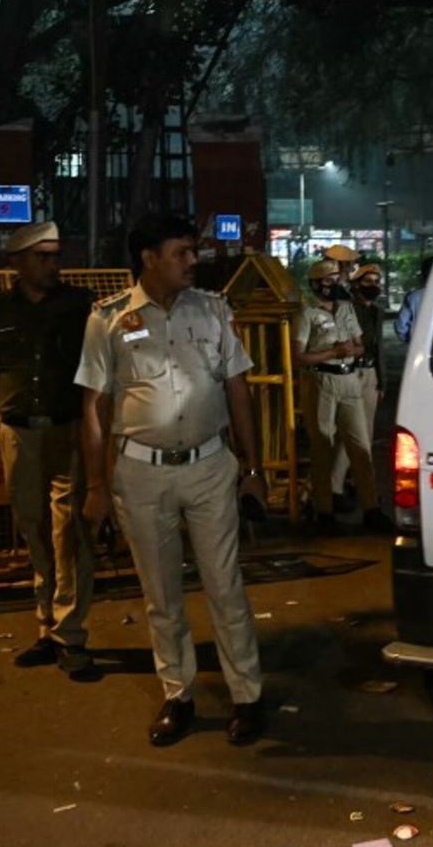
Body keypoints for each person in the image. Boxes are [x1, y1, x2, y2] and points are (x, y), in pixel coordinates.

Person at [75, 213, 267, 747]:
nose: (192, 261)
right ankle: (177, 694)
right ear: (149, 257)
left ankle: (247, 695)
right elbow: (93, 407)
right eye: (181, 252)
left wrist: (252, 469)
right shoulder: (108, 320)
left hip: (210, 468)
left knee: (225, 587)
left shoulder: (213, 311)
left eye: (192, 251)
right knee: (161, 593)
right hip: (140, 474)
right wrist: (96, 487)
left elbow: (238, 391)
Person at [0, 221, 99, 682]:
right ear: (18, 262)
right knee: (34, 526)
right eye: (42, 257)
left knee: (72, 532)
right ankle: (47, 625)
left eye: (55, 256)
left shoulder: (80, 305)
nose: (52, 264)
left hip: (69, 428)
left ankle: (71, 633)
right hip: (20, 430)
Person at [296, 259, 380, 532]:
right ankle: (324, 511)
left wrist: (348, 352)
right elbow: (299, 356)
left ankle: (371, 509)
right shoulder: (307, 314)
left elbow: (359, 346)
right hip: (322, 380)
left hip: (349, 381)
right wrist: (334, 352)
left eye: (337, 280)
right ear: (317, 284)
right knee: (322, 447)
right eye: (329, 281)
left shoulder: (346, 310)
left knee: (361, 447)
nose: (335, 285)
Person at [329, 263, 391, 531]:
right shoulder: (347, 309)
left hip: (370, 377)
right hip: (351, 374)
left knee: (359, 436)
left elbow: (378, 350)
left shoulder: (376, 312)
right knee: (355, 438)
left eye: (377, 280)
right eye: (368, 280)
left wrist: (381, 381)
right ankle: (345, 492)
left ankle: (336, 487)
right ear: (356, 284)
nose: (373, 285)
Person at [394, 256, 433, 342]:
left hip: (419, 347)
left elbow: (401, 326)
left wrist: (410, 340)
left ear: (423, 275)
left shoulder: (413, 297)